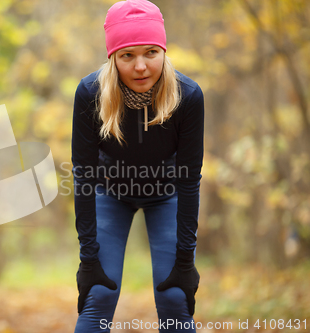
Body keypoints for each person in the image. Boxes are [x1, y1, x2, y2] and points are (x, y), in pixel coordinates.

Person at [71, 1, 204, 332]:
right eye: (127, 55)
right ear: (113, 58)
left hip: (167, 193)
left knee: (175, 296)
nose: (141, 66)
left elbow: (189, 179)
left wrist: (186, 259)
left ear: (163, 51)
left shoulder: (188, 96)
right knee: (98, 293)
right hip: (109, 192)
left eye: (150, 53)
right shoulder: (90, 93)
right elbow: (83, 176)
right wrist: (88, 259)